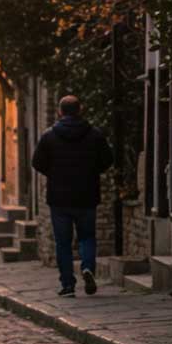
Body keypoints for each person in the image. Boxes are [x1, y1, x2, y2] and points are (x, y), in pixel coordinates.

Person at [32, 95, 114, 298]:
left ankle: (68, 284)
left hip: (59, 198)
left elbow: (37, 162)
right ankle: (87, 267)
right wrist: (92, 171)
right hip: (86, 194)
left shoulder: (49, 136)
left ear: (60, 111)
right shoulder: (94, 135)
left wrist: (54, 173)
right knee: (87, 236)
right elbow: (107, 160)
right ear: (81, 109)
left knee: (63, 242)